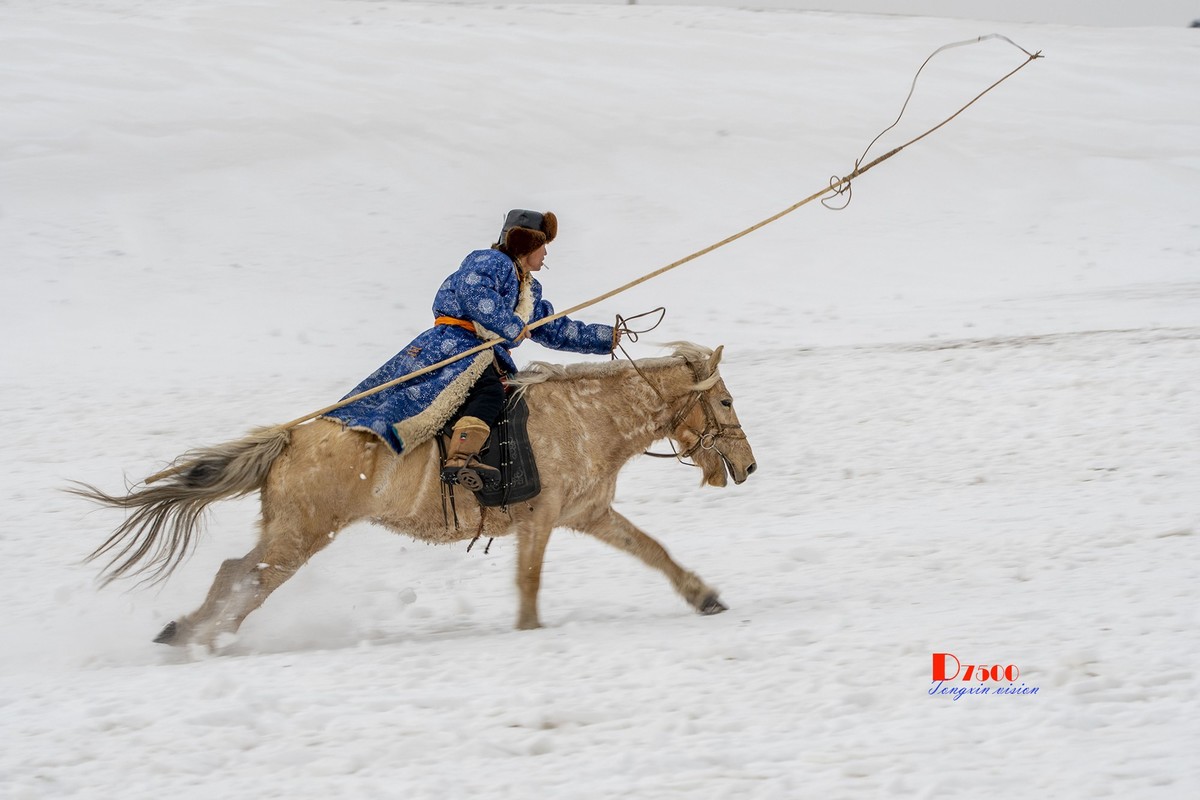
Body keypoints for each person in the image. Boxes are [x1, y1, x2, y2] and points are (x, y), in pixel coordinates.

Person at [323, 209, 619, 488]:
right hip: (454, 348)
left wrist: (604, 338)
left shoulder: (527, 289)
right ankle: (461, 459)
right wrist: (513, 327)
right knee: (488, 392)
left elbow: (552, 327)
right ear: (528, 244)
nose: (547, 253)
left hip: (482, 354)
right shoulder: (492, 262)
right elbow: (473, 291)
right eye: (544, 245)